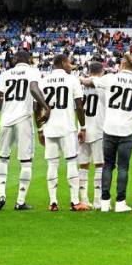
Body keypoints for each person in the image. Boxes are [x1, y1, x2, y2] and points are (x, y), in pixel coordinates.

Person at [0, 50, 49, 211]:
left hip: (6, 120)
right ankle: (20, 201)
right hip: (23, 119)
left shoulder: (5, 74)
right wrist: (46, 107)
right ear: (29, 59)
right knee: (26, 162)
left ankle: (1, 195)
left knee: (3, 158)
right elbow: (35, 89)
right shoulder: (33, 72)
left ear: (15, 59)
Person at [86, 53, 132, 213]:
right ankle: (120, 202)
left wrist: (75, 79)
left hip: (109, 128)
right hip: (127, 129)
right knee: (123, 168)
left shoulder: (109, 78)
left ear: (122, 64)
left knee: (107, 165)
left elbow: (91, 80)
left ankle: (105, 202)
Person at [38, 54, 89, 212]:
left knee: (52, 164)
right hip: (67, 127)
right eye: (68, 62)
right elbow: (79, 106)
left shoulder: (43, 80)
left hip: (49, 128)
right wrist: (83, 127)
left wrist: (39, 129)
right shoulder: (71, 80)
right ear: (61, 63)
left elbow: (37, 107)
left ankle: (53, 202)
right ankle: (74, 201)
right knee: (71, 162)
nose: (70, 65)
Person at [79, 61, 106, 209]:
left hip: (83, 128)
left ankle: (83, 199)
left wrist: (82, 79)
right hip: (98, 128)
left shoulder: (82, 84)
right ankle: (97, 200)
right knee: (99, 165)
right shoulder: (102, 84)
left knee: (83, 165)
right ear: (101, 71)